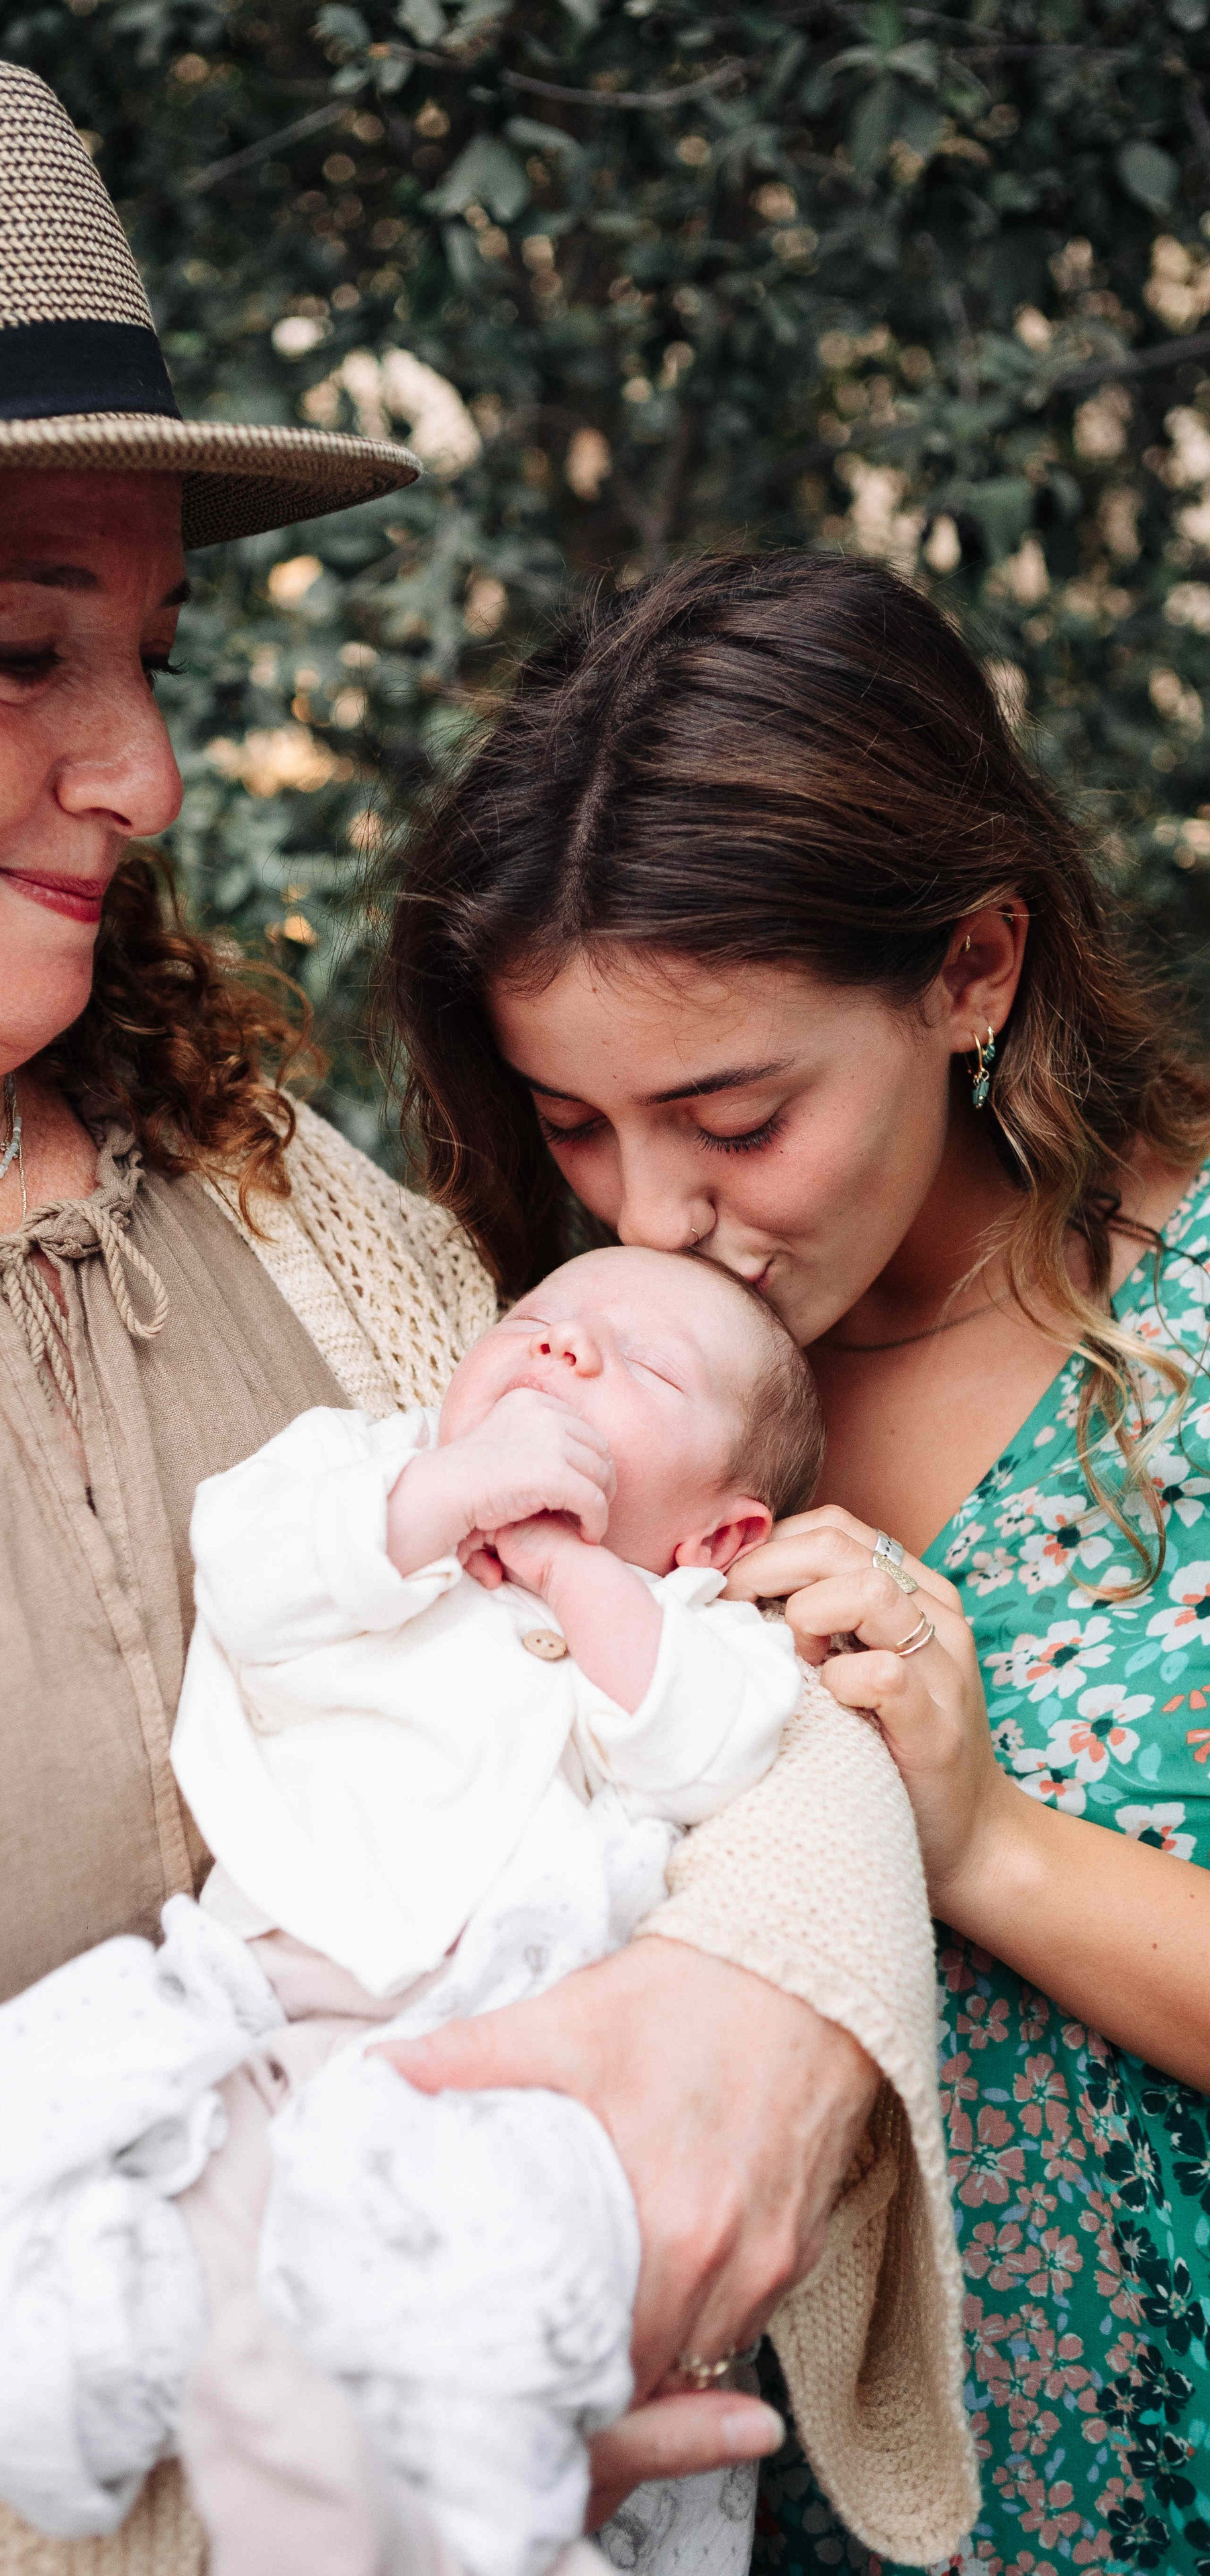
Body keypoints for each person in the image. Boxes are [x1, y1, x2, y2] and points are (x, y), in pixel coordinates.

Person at [0, 42, 966, 2573]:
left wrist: (789, 2015)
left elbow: (735, 1653)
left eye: (150, 650)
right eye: (21, 651)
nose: (148, 772)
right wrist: (252, 2443)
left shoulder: (291, 1214)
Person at [384, 547, 1210, 2576]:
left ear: (975, 972)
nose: (655, 1211)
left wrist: (986, 1847)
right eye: (572, 1121)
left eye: (733, 1116)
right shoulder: (560, 1376)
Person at [0, 1246, 821, 2576]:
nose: (563, 1352)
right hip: (283, 1995)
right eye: (537, 1323)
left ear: (716, 1534)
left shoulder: (694, 1622)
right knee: (204, 2210)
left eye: (642, 1365)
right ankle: (85, 2343)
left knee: (483, 2296)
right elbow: (249, 1578)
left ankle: (477, 2517)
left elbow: (703, 1752)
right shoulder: (362, 1475)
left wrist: (575, 1575)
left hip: (516, 2058)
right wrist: (433, 1499)